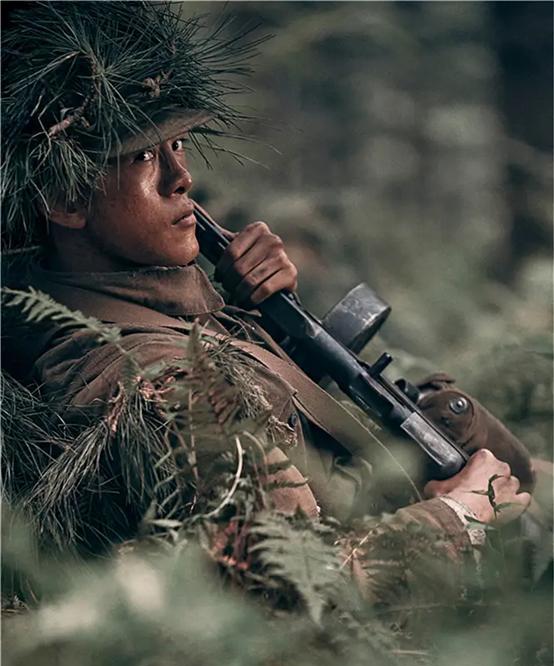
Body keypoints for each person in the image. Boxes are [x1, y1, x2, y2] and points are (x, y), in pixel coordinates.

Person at [1, 1, 532, 606]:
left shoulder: (184, 320)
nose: (181, 177)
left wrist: (267, 321)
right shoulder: (163, 380)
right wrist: (457, 519)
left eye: (179, 144)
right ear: (67, 203)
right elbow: (292, 585)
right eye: (144, 156)